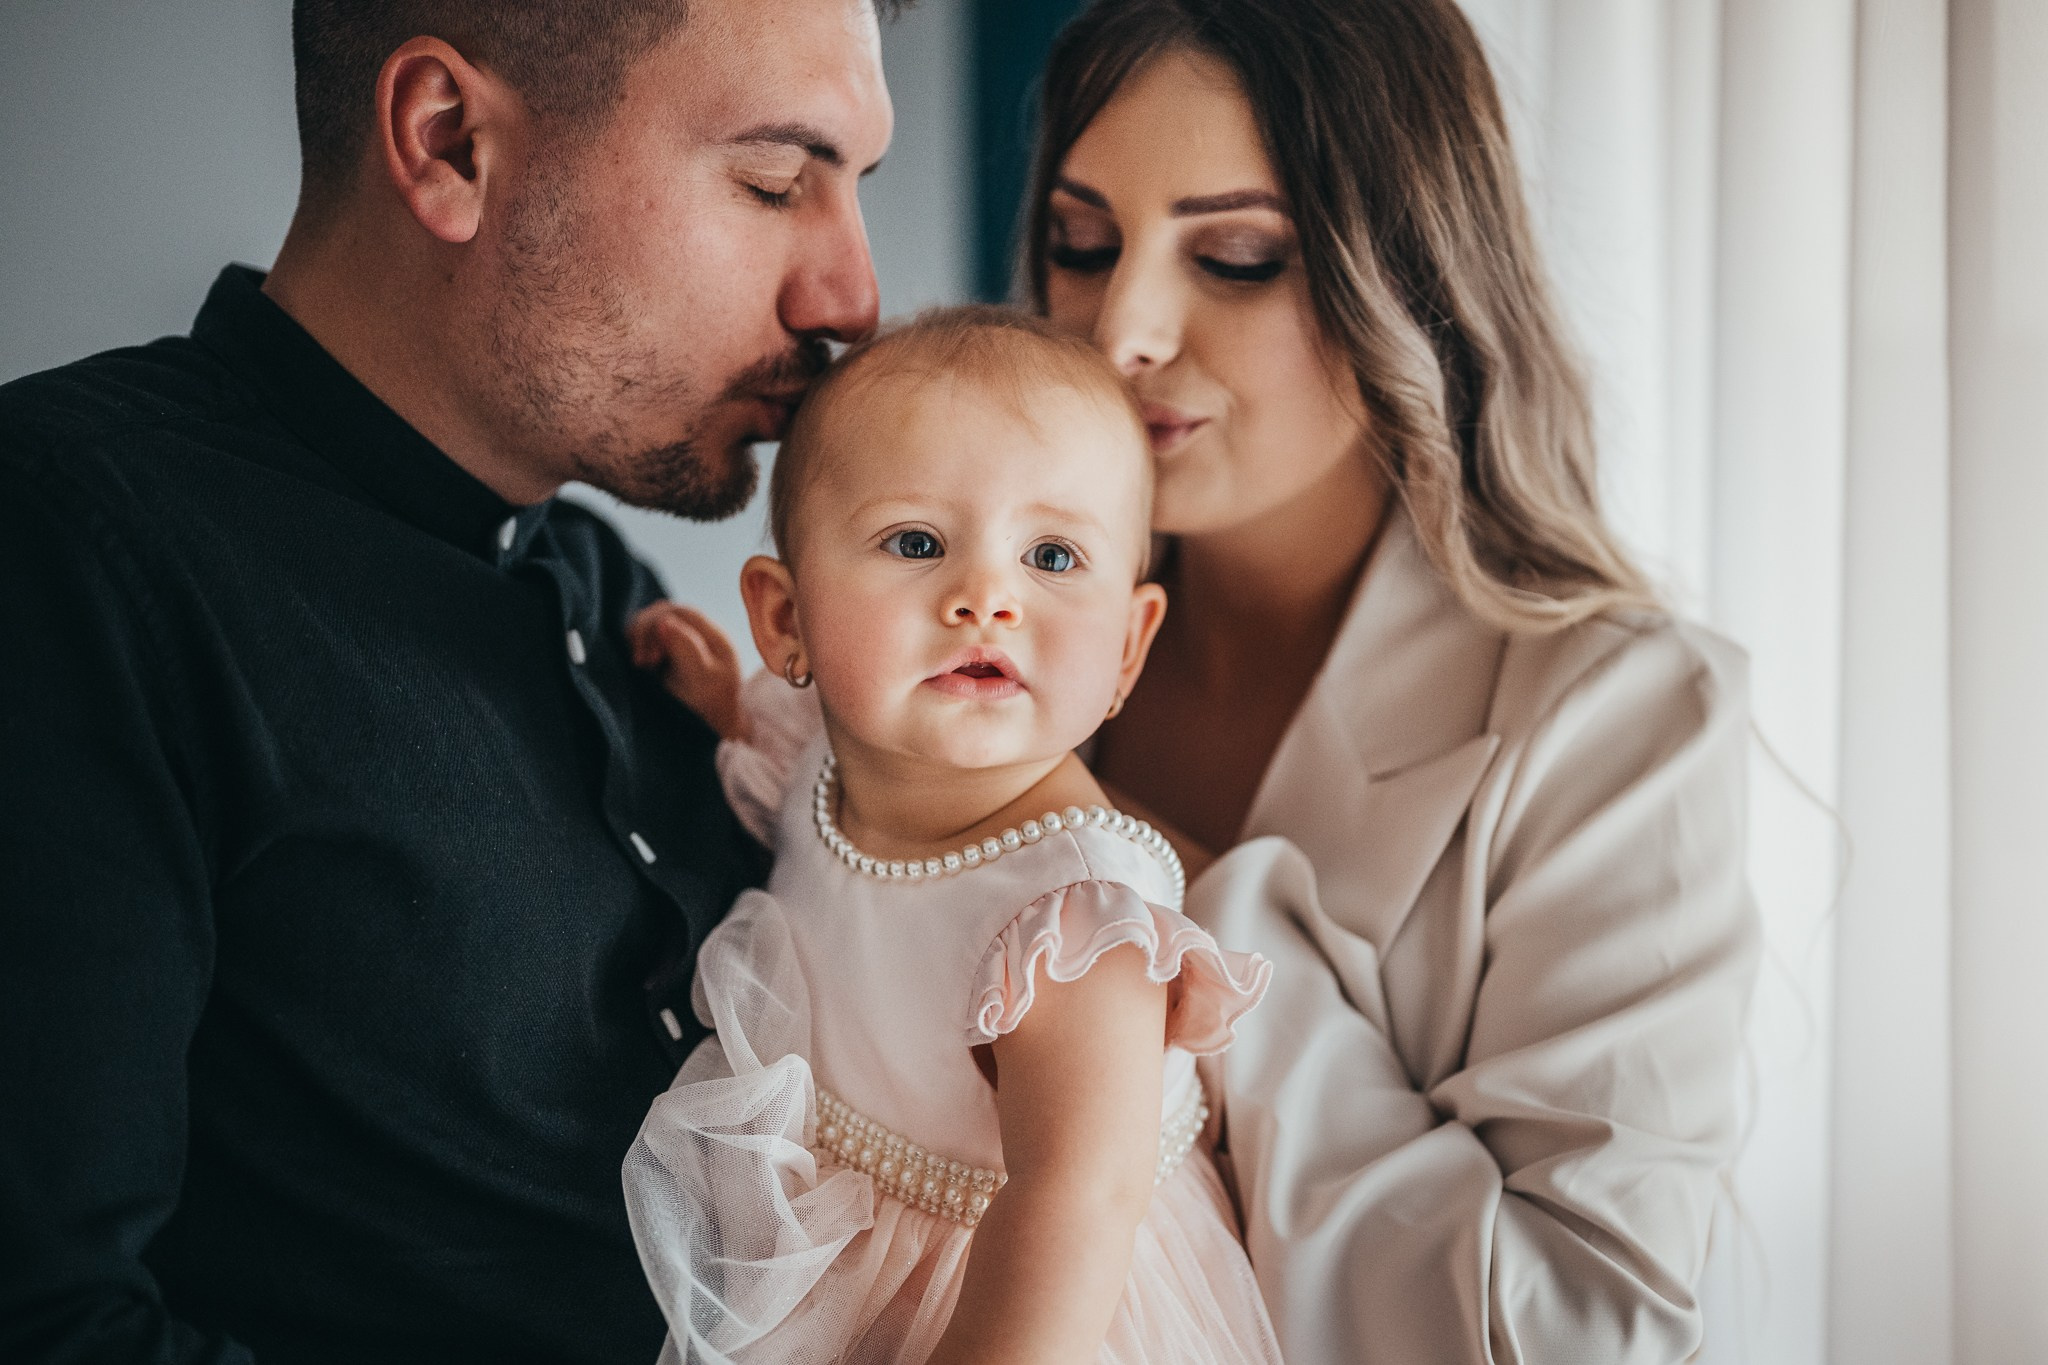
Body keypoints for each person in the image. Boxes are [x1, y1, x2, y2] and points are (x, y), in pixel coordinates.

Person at [0, 1, 891, 1361]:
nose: (853, 297)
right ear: (450, 143)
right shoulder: (68, 544)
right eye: (776, 180)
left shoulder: (607, 586)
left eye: (854, 189)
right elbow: (50, 1327)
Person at [1026, 1, 1761, 1360]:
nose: (1118, 326)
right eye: (1083, 242)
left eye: (1237, 257)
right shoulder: (968, 635)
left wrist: (1137, 871)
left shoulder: (1623, 721)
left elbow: (1575, 1333)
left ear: (1409, 272)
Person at [623, 307, 1281, 1365]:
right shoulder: (814, 757)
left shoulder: (1076, 912)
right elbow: (780, 762)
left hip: (1028, 1302)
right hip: (848, 1251)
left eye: (1053, 555)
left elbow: (1079, 1199)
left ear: (1126, 644)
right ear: (786, 622)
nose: (987, 598)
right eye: (917, 542)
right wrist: (717, 710)